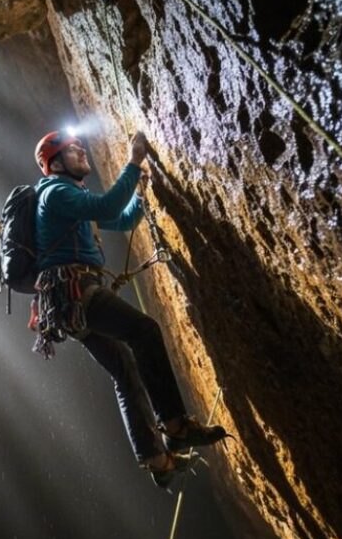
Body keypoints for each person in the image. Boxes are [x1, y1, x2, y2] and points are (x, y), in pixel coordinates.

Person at [30, 129, 227, 488]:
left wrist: (140, 196)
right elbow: (106, 207)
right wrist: (134, 162)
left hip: (67, 307)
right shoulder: (57, 192)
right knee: (144, 331)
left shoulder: (72, 198)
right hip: (77, 292)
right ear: (55, 163)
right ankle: (175, 425)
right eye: (73, 150)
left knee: (125, 371)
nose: (82, 151)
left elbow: (118, 220)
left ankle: (157, 459)